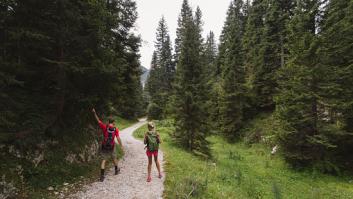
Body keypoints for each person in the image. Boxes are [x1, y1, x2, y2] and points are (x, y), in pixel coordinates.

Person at [92, 108, 123, 182]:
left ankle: (102, 176)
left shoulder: (104, 127)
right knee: (114, 158)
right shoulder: (115, 129)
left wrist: (94, 113)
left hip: (104, 146)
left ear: (108, 122)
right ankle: (116, 170)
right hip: (112, 146)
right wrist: (121, 145)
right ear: (114, 122)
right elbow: (118, 138)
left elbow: (98, 120)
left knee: (103, 160)